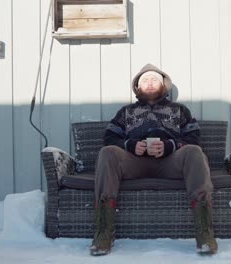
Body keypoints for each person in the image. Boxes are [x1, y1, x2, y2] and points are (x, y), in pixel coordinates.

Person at [90, 63, 217, 256]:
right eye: (145, 80)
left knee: (194, 151)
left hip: (170, 162)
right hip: (134, 161)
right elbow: (109, 137)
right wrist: (129, 145)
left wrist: (171, 146)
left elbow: (194, 137)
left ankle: (205, 232)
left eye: (154, 80)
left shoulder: (179, 110)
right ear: (137, 87)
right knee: (107, 152)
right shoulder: (126, 112)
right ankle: (103, 232)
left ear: (163, 85)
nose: (149, 83)